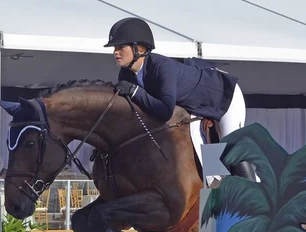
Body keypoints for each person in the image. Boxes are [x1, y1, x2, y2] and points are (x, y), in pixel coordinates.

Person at [108, 17, 255, 180]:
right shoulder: (126, 74)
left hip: (224, 98)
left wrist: (136, 92)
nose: (115, 52)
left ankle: (257, 195)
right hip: (195, 109)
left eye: (121, 47)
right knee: (210, 168)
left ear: (139, 49)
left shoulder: (162, 67)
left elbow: (165, 110)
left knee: (231, 145)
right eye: (115, 47)